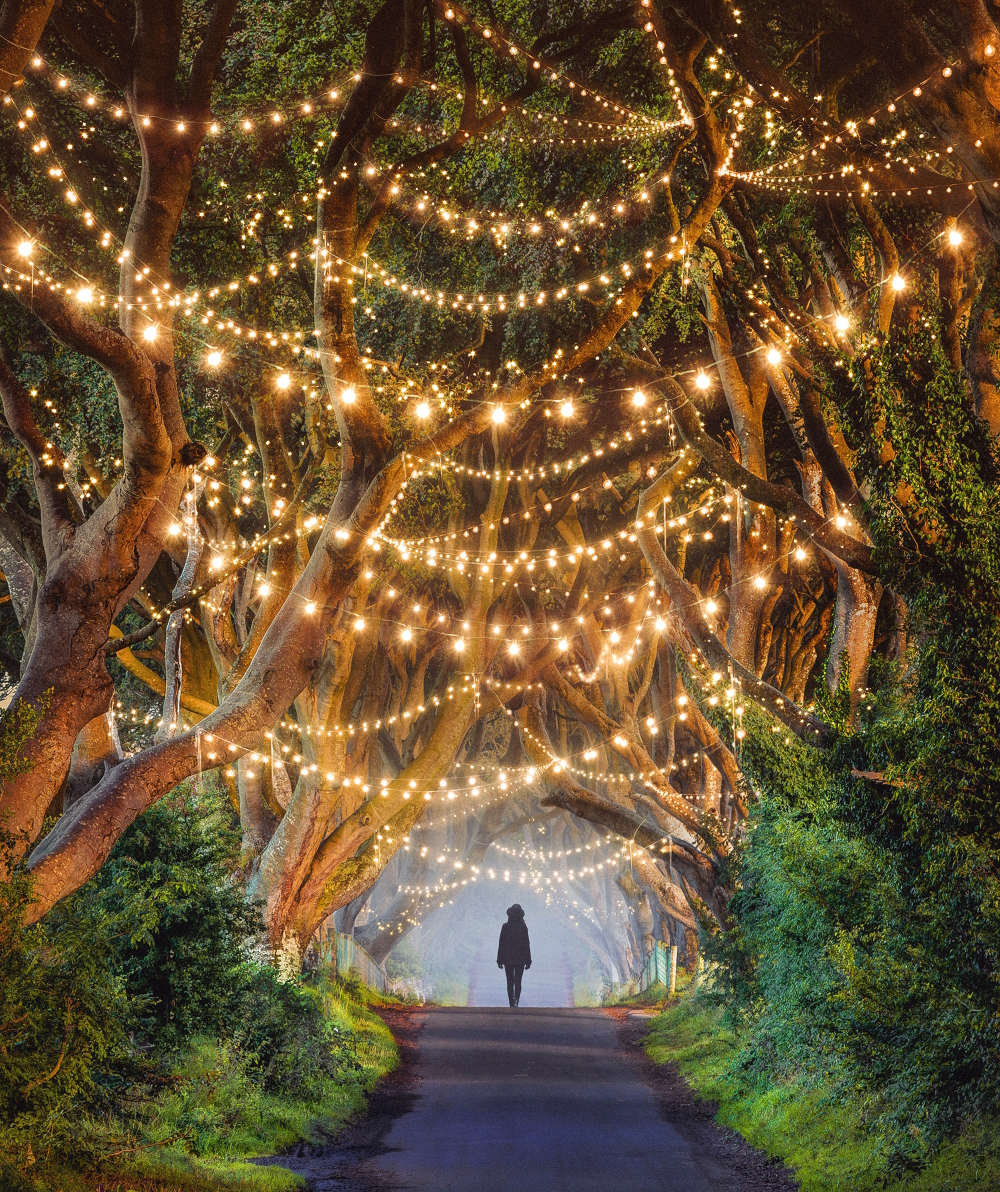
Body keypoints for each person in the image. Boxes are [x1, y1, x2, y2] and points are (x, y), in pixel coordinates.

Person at [496, 903, 531, 1007]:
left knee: (510, 981)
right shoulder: (523, 928)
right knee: (518, 981)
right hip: (520, 958)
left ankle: (511, 1002)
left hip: (508, 958)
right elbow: (526, 945)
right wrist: (528, 960)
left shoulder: (505, 927)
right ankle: (516, 1000)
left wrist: (499, 959)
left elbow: (501, 944)